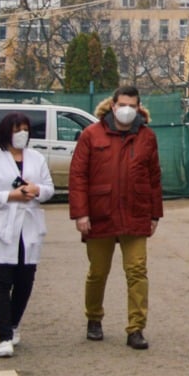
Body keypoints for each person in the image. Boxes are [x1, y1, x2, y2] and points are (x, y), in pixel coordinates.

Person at [69, 85, 163, 350]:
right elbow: (78, 176)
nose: (127, 110)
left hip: (136, 213)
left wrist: (155, 213)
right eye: (123, 104)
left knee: (137, 272)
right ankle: (94, 318)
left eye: (132, 106)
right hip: (100, 215)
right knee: (98, 272)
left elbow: (155, 177)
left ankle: (136, 329)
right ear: (112, 106)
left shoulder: (146, 137)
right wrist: (81, 213)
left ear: (139, 107)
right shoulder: (91, 135)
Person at [0, 111, 54, 358]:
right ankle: (4, 336)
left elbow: (50, 189)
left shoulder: (37, 158)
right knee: (0, 283)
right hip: (0, 230)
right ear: (6, 131)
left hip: (27, 230)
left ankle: (14, 323)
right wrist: (9, 196)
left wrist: (36, 189)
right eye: (17, 129)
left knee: (24, 282)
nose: (22, 134)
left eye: (26, 129)